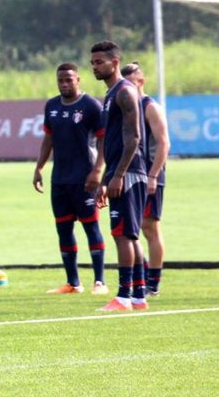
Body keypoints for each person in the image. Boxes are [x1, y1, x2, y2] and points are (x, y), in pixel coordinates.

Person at [33, 63, 109, 296]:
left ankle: (100, 281)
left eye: (69, 79)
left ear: (78, 79)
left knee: (91, 227)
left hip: (85, 178)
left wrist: (98, 172)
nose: (64, 84)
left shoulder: (91, 106)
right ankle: (73, 283)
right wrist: (39, 167)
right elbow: (48, 139)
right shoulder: (52, 106)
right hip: (60, 179)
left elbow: (103, 141)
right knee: (63, 229)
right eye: (61, 80)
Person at [90, 41, 149, 311]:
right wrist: (106, 178)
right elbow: (112, 140)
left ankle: (124, 296)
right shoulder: (111, 94)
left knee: (122, 234)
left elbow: (134, 136)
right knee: (129, 234)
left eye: (99, 62)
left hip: (129, 172)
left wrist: (119, 175)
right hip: (119, 171)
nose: (95, 67)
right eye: (92, 63)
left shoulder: (125, 91)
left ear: (115, 63)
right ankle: (138, 296)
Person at [121, 62, 170, 296]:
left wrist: (153, 175)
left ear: (141, 81)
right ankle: (141, 278)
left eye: (131, 82)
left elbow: (163, 143)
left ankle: (153, 283)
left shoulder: (150, 107)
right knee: (131, 228)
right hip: (133, 174)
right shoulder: (127, 106)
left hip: (150, 174)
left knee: (149, 227)